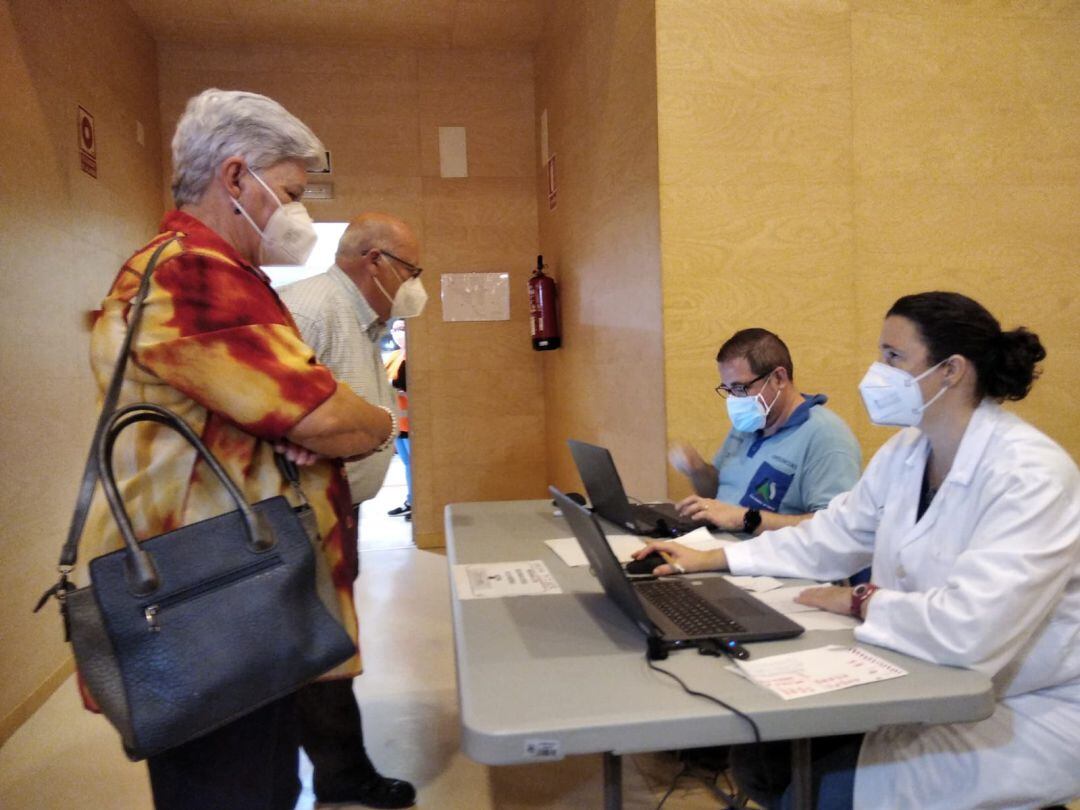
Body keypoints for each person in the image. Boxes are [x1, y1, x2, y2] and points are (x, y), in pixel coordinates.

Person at [636, 292, 1080, 809]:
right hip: (921, 675)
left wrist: (860, 599)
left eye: (893, 356)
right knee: (761, 762)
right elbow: (832, 535)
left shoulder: (1031, 475)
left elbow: (971, 631)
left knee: (816, 793)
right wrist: (716, 559)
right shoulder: (907, 451)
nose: (877, 372)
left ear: (951, 370)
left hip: (1019, 708)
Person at [85, 89, 396, 810]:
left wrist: (298, 426)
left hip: (226, 586)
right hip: (213, 597)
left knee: (260, 776)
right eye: (290, 192)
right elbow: (327, 416)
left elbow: (292, 411)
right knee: (235, 784)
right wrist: (375, 422)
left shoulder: (188, 266)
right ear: (235, 178)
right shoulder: (194, 272)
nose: (296, 213)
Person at [279, 213, 425, 809]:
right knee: (323, 648)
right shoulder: (311, 310)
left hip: (338, 508)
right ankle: (342, 773)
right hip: (301, 514)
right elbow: (279, 415)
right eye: (412, 270)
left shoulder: (363, 318)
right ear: (376, 261)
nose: (416, 284)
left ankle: (338, 769)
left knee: (332, 641)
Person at [669, 328, 861, 535]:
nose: (734, 400)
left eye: (740, 388)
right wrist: (698, 470)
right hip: (718, 542)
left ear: (778, 378)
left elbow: (835, 528)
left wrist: (743, 519)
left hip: (764, 553)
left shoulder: (827, 437)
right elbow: (720, 494)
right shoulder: (750, 423)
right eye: (728, 390)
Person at [384, 319, 411, 520]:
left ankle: (415, 502)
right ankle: (411, 501)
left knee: (415, 465)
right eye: (394, 329)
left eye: (401, 329)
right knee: (407, 464)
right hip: (398, 422)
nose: (396, 333)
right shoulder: (393, 356)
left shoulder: (415, 356)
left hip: (412, 423)